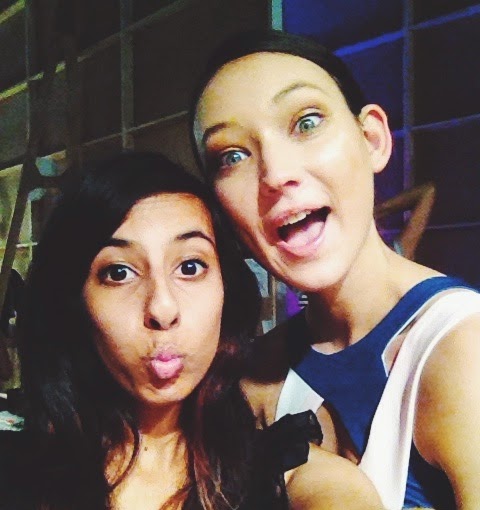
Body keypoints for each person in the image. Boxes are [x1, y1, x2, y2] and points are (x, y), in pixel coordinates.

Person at [190, 29, 480, 510]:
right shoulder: (255, 377)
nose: (276, 173)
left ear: (372, 140)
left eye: (306, 122)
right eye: (232, 156)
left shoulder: (463, 350)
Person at [0, 152, 383, 509]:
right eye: (119, 272)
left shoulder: (287, 474)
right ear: (75, 303)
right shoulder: (16, 471)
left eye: (189, 267)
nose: (162, 309)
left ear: (225, 290)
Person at [374, 182, 436, 261]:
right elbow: (427, 192)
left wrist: (376, 212)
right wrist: (377, 211)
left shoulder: (396, 256)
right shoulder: (398, 255)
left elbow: (428, 192)